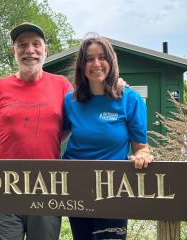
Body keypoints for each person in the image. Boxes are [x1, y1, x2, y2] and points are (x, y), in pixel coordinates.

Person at [0, 22, 73, 240]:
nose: (30, 50)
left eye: (36, 44)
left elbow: (76, 123)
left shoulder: (62, 86)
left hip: (47, 187)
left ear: (46, 49)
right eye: (22, 45)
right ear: (13, 50)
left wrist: (116, 89)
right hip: (5, 185)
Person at [62, 36, 153, 240]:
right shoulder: (70, 100)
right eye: (89, 59)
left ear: (111, 62)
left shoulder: (130, 100)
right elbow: (57, 134)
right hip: (77, 186)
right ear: (81, 66)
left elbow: (141, 147)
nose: (96, 64)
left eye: (102, 57)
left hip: (114, 188)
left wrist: (142, 155)